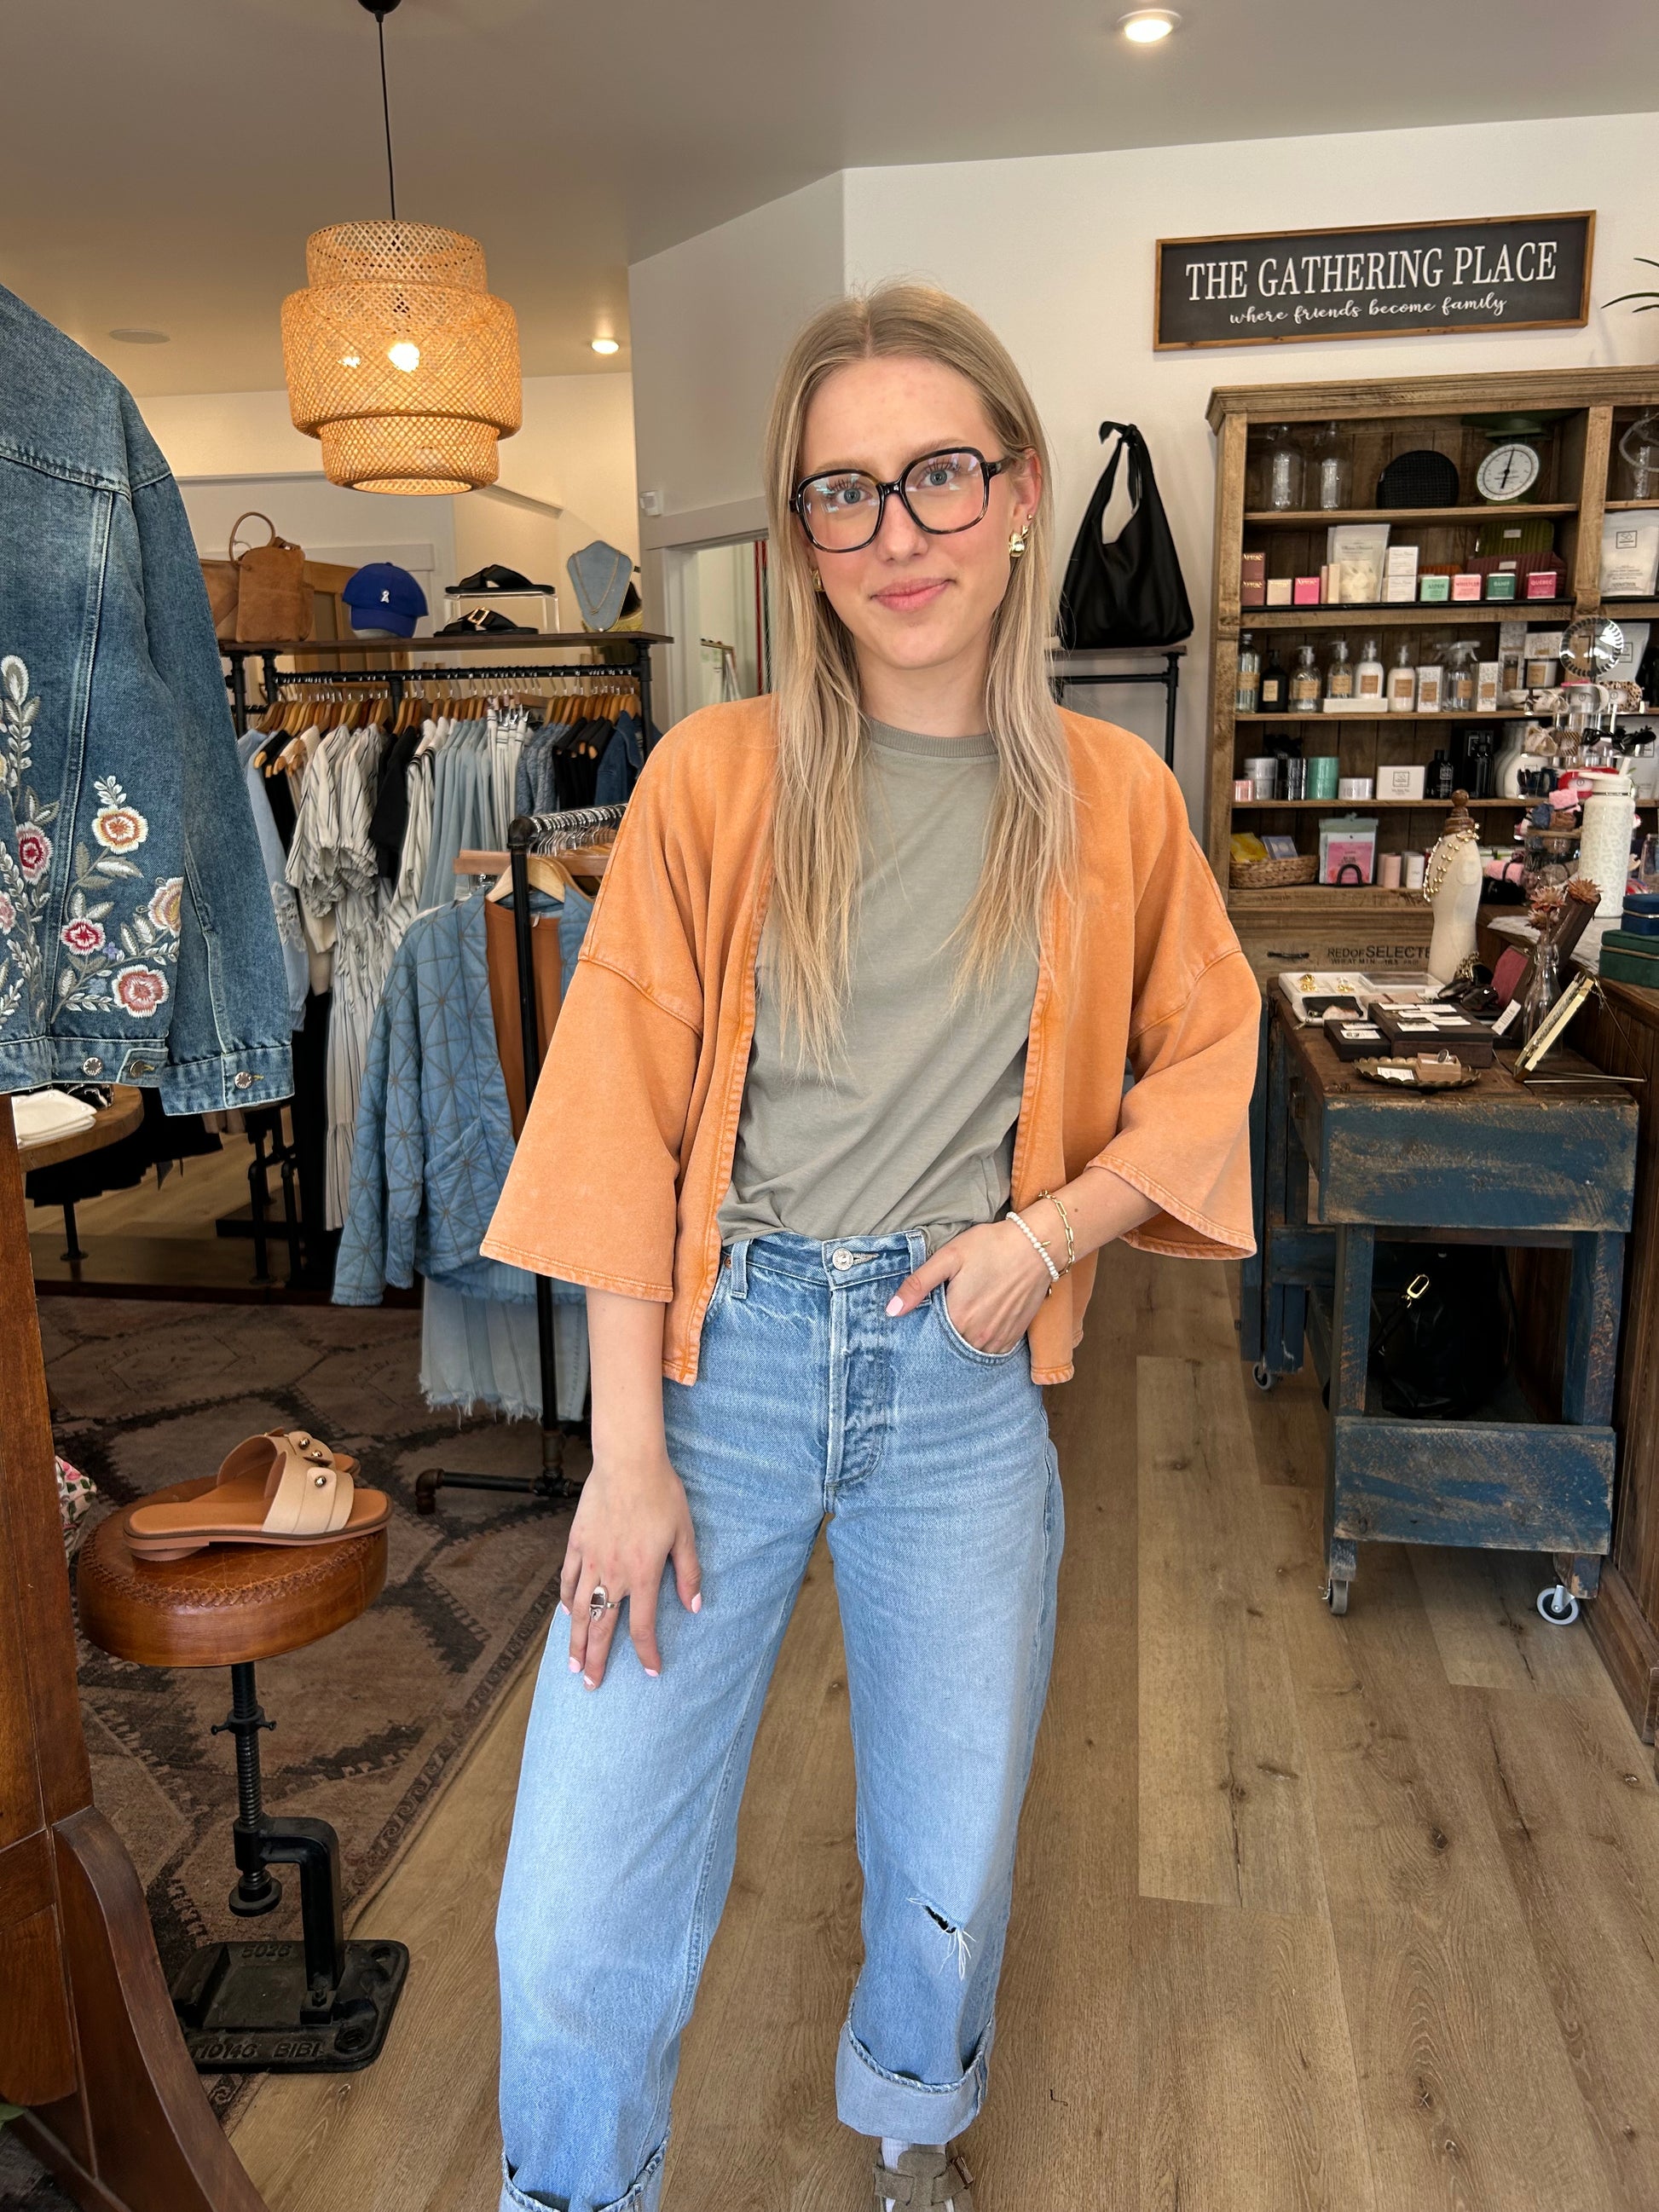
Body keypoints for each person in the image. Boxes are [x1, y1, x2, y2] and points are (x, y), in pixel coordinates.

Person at [482, 283, 1259, 2212]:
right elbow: (616, 1119)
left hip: (955, 1374)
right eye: (844, 491)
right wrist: (626, 1461)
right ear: (799, 531)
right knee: (576, 1887)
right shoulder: (713, 777)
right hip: (715, 1371)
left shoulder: (1112, 799)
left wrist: (1048, 1233)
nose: (896, 532)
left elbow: (1210, 1054)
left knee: (950, 1838)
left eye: (937, 476)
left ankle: (913, 2128)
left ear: (1019, 492)